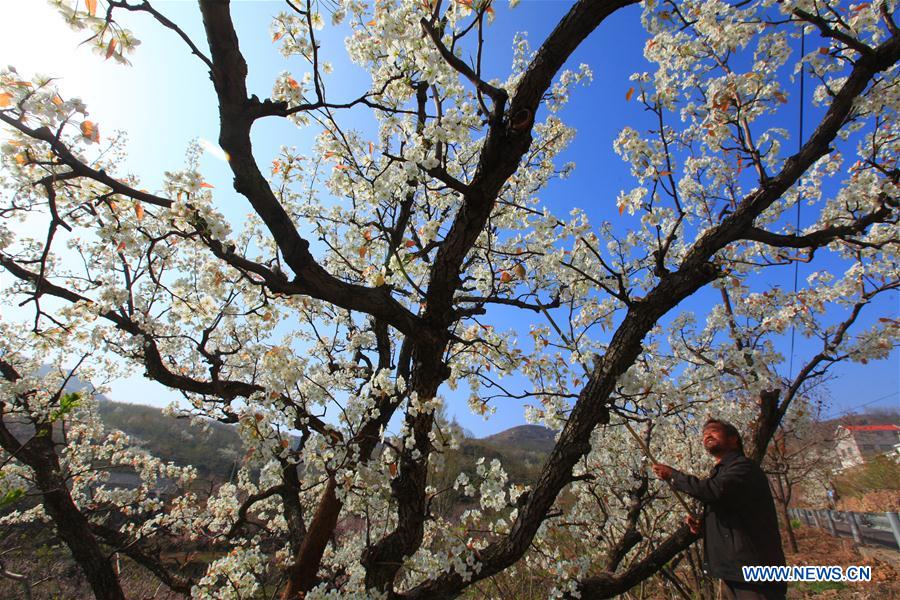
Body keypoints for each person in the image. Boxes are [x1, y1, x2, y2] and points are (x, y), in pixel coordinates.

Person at [652, 418, 787, 600]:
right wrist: (704, 525)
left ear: (733, 439)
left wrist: (674, 475)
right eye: (704, 433)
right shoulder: (723, 473)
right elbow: (732, 512)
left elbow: (714, 491)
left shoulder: (744, 467)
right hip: (733, 572)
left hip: (754, 572)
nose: (707, 435)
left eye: (714, 431)